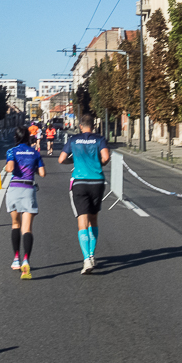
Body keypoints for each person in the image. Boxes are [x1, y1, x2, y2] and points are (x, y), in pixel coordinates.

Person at [58, 112, 110, 274]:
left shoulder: (73, 140)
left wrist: (72, 160)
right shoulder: (100, 139)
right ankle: (92, 255)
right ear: (93, 126)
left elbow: (61, 159)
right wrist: (97, 163)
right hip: (97, 182)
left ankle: (86, 258)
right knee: (93, 219)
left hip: (79, 182)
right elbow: (106, 158)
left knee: (82, 220)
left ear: (80, 126)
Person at [5, 126, 45, 279]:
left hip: (14, 188)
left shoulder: (12, 151)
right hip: (29, 189)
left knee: (16, 224)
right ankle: (26, 260)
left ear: (16, 137)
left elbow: (9, 168)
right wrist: (33, 168)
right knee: (27, 228)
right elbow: (42, 173)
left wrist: (10, 166)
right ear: (29, 137)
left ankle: (16, 259)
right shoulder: (35, 153)